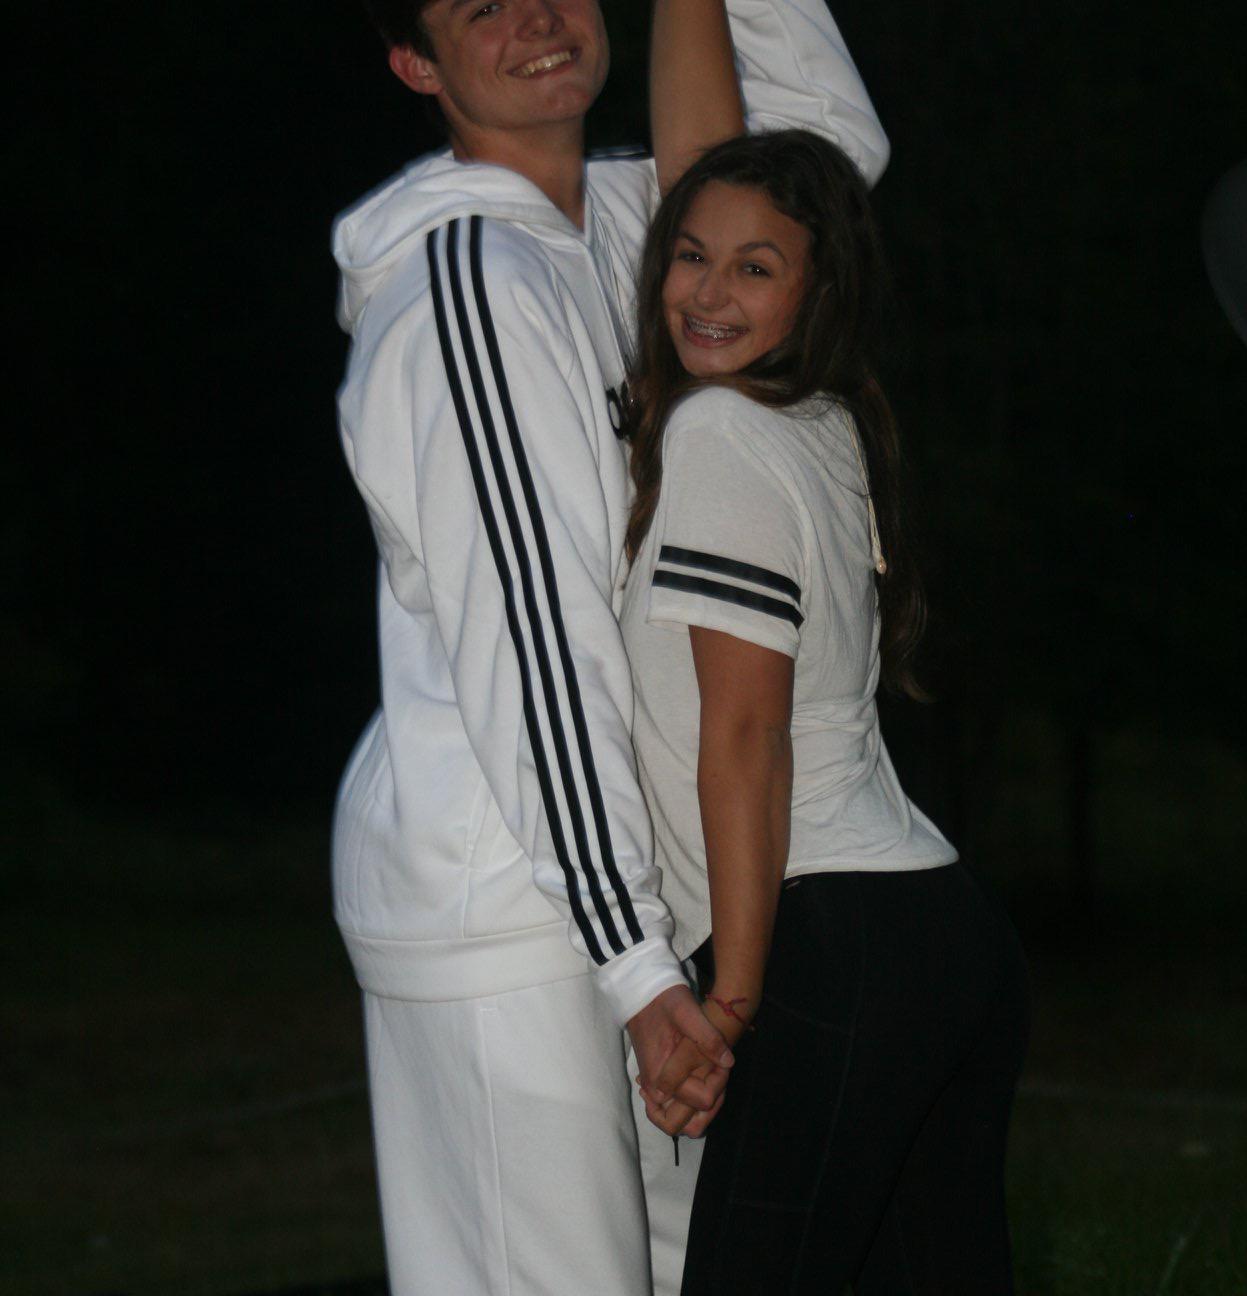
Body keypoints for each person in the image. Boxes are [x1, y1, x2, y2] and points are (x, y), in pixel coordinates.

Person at [331, 3, 890, 1293]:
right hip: (513, 908)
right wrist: (637, 966)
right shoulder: (470, 284)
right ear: (417, 63)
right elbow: (531, 644)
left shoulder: (645, 224)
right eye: (479, 7)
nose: (536, 16)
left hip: (625, 892)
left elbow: (829, 151)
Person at [619, 129, 1030, 1295]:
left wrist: (733, 1004)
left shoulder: (721, 432)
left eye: (755, 267)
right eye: (691, 255)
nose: (708, 293)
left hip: (833, 948)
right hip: (941, 937)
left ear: (821, 290)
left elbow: (747, 737)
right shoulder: (826, 423)